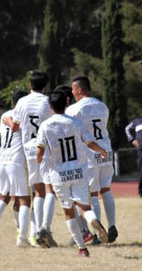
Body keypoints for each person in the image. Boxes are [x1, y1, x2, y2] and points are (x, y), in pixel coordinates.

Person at [36, 91, 108, 257]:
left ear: (50, 106)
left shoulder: (46, 126)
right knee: (84, 207)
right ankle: (93, 220)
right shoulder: (75, 122)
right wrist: (101, 150)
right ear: (66, 103)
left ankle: (82, 248)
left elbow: (40, 149)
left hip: (59, 174)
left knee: (68, 211)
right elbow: (89, 142)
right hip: (79, 171)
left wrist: (39, 159)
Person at [2, 71, 54, 247]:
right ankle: (43, 229)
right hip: (45, 148)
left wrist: (8, 120)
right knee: (49, 190)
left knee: (37, 190)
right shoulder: (47, 101)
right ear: (45, 85)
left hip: (28, 150)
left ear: (29, 85)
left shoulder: (22, 102)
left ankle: (38, 229)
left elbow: (15, 127)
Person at [66, 76, 118, 243]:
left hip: (90, 153)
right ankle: (112, 226)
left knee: (92, 194)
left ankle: (97, 232)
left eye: (73, 90)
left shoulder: (75, 109)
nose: (72, 93)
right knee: (106, 189)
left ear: (79, 90)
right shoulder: (102, 105)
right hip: (106, 150)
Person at [0, 90, 31, 247]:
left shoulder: (4, 116)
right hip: (16, 161)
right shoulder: (24, 115)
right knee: (25, 199)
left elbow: (5, 141)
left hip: (3, 160)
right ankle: (23, 238)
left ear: (12, 102)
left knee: (4, 197)